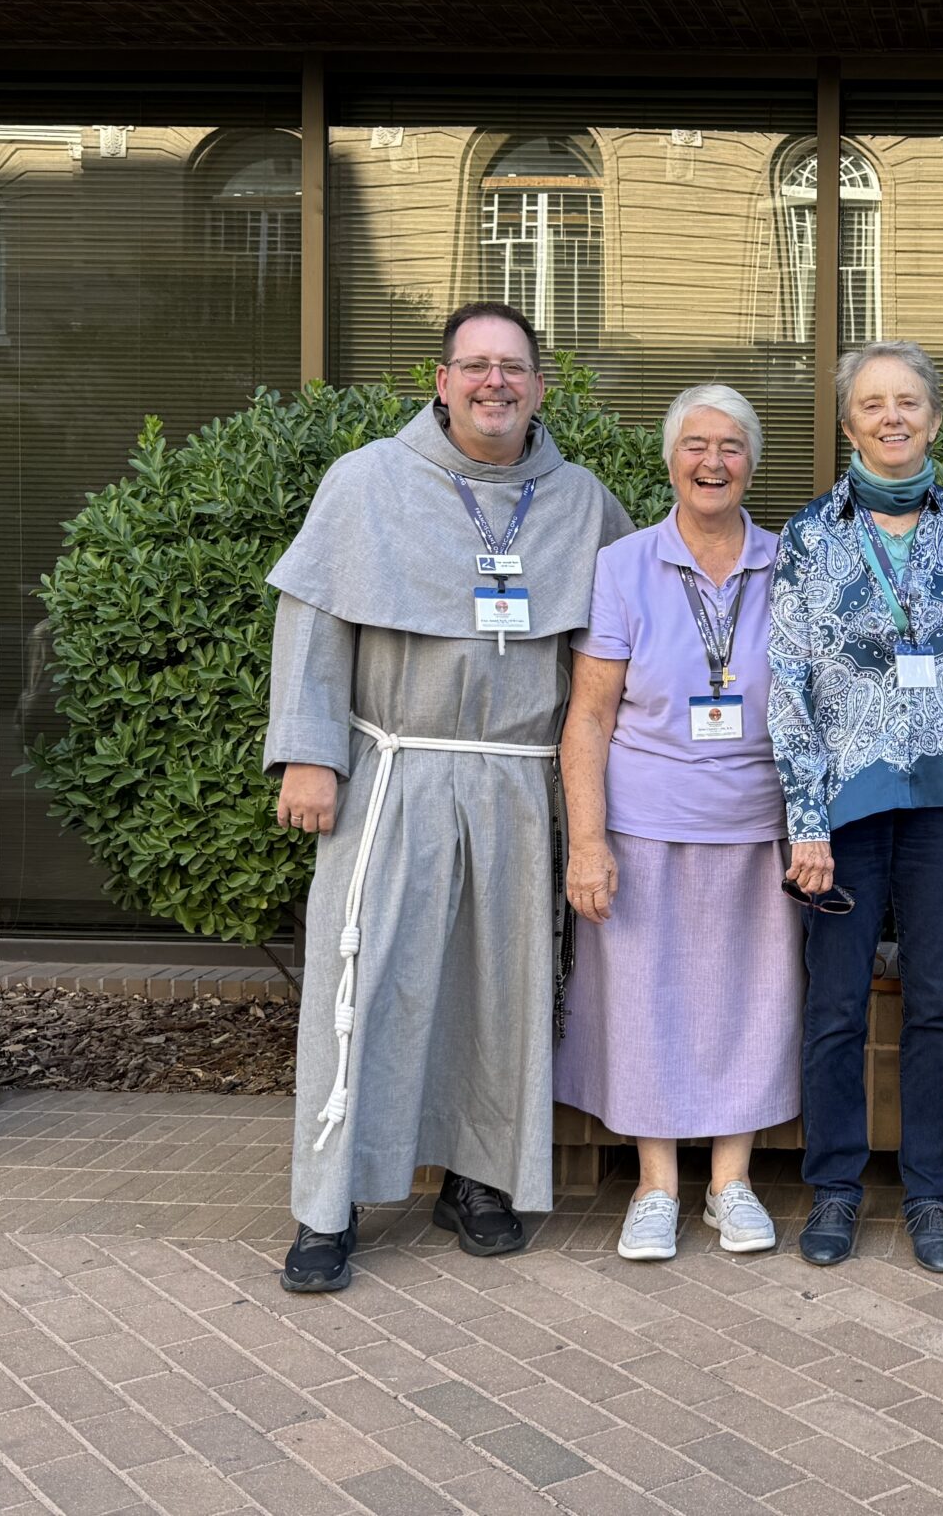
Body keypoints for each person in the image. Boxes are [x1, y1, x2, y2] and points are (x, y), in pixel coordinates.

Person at [266, 302, 634, 1293]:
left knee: (500, 991)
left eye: (512, 367)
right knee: (363, 982)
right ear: (441, 381)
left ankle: (478, 1179)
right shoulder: (366, 482)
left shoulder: (582, 503)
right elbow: (312, 619)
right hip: (396, 771)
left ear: (540, 387)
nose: (493, 383)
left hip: (518, 780)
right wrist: (307, 754)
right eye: (474, 365)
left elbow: (615, 660)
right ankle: (329, 1203)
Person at [556, 385, 800, 1263]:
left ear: (752, 464)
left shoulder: (790, 562)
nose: (713, 461)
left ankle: (732, 1183)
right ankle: (655, 1186)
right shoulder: (624, 566)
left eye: (731, 446)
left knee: (753, 1003)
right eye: (696, 444)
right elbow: (588, 716)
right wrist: (587, 841)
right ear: (670, 460)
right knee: (642, 1002)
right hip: (644, 824)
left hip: (757, 822)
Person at [769, 341, 943, 1273]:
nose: (891, 416)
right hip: (844, 812)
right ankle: (834, 1188)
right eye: (872, 403)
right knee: (835, 1005)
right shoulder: (807, 535)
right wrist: (806, 819)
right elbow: (787, 683)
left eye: (908, 401)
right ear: (847, 423)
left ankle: (931, 1194)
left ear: (935, 420)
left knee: (938, 1002)